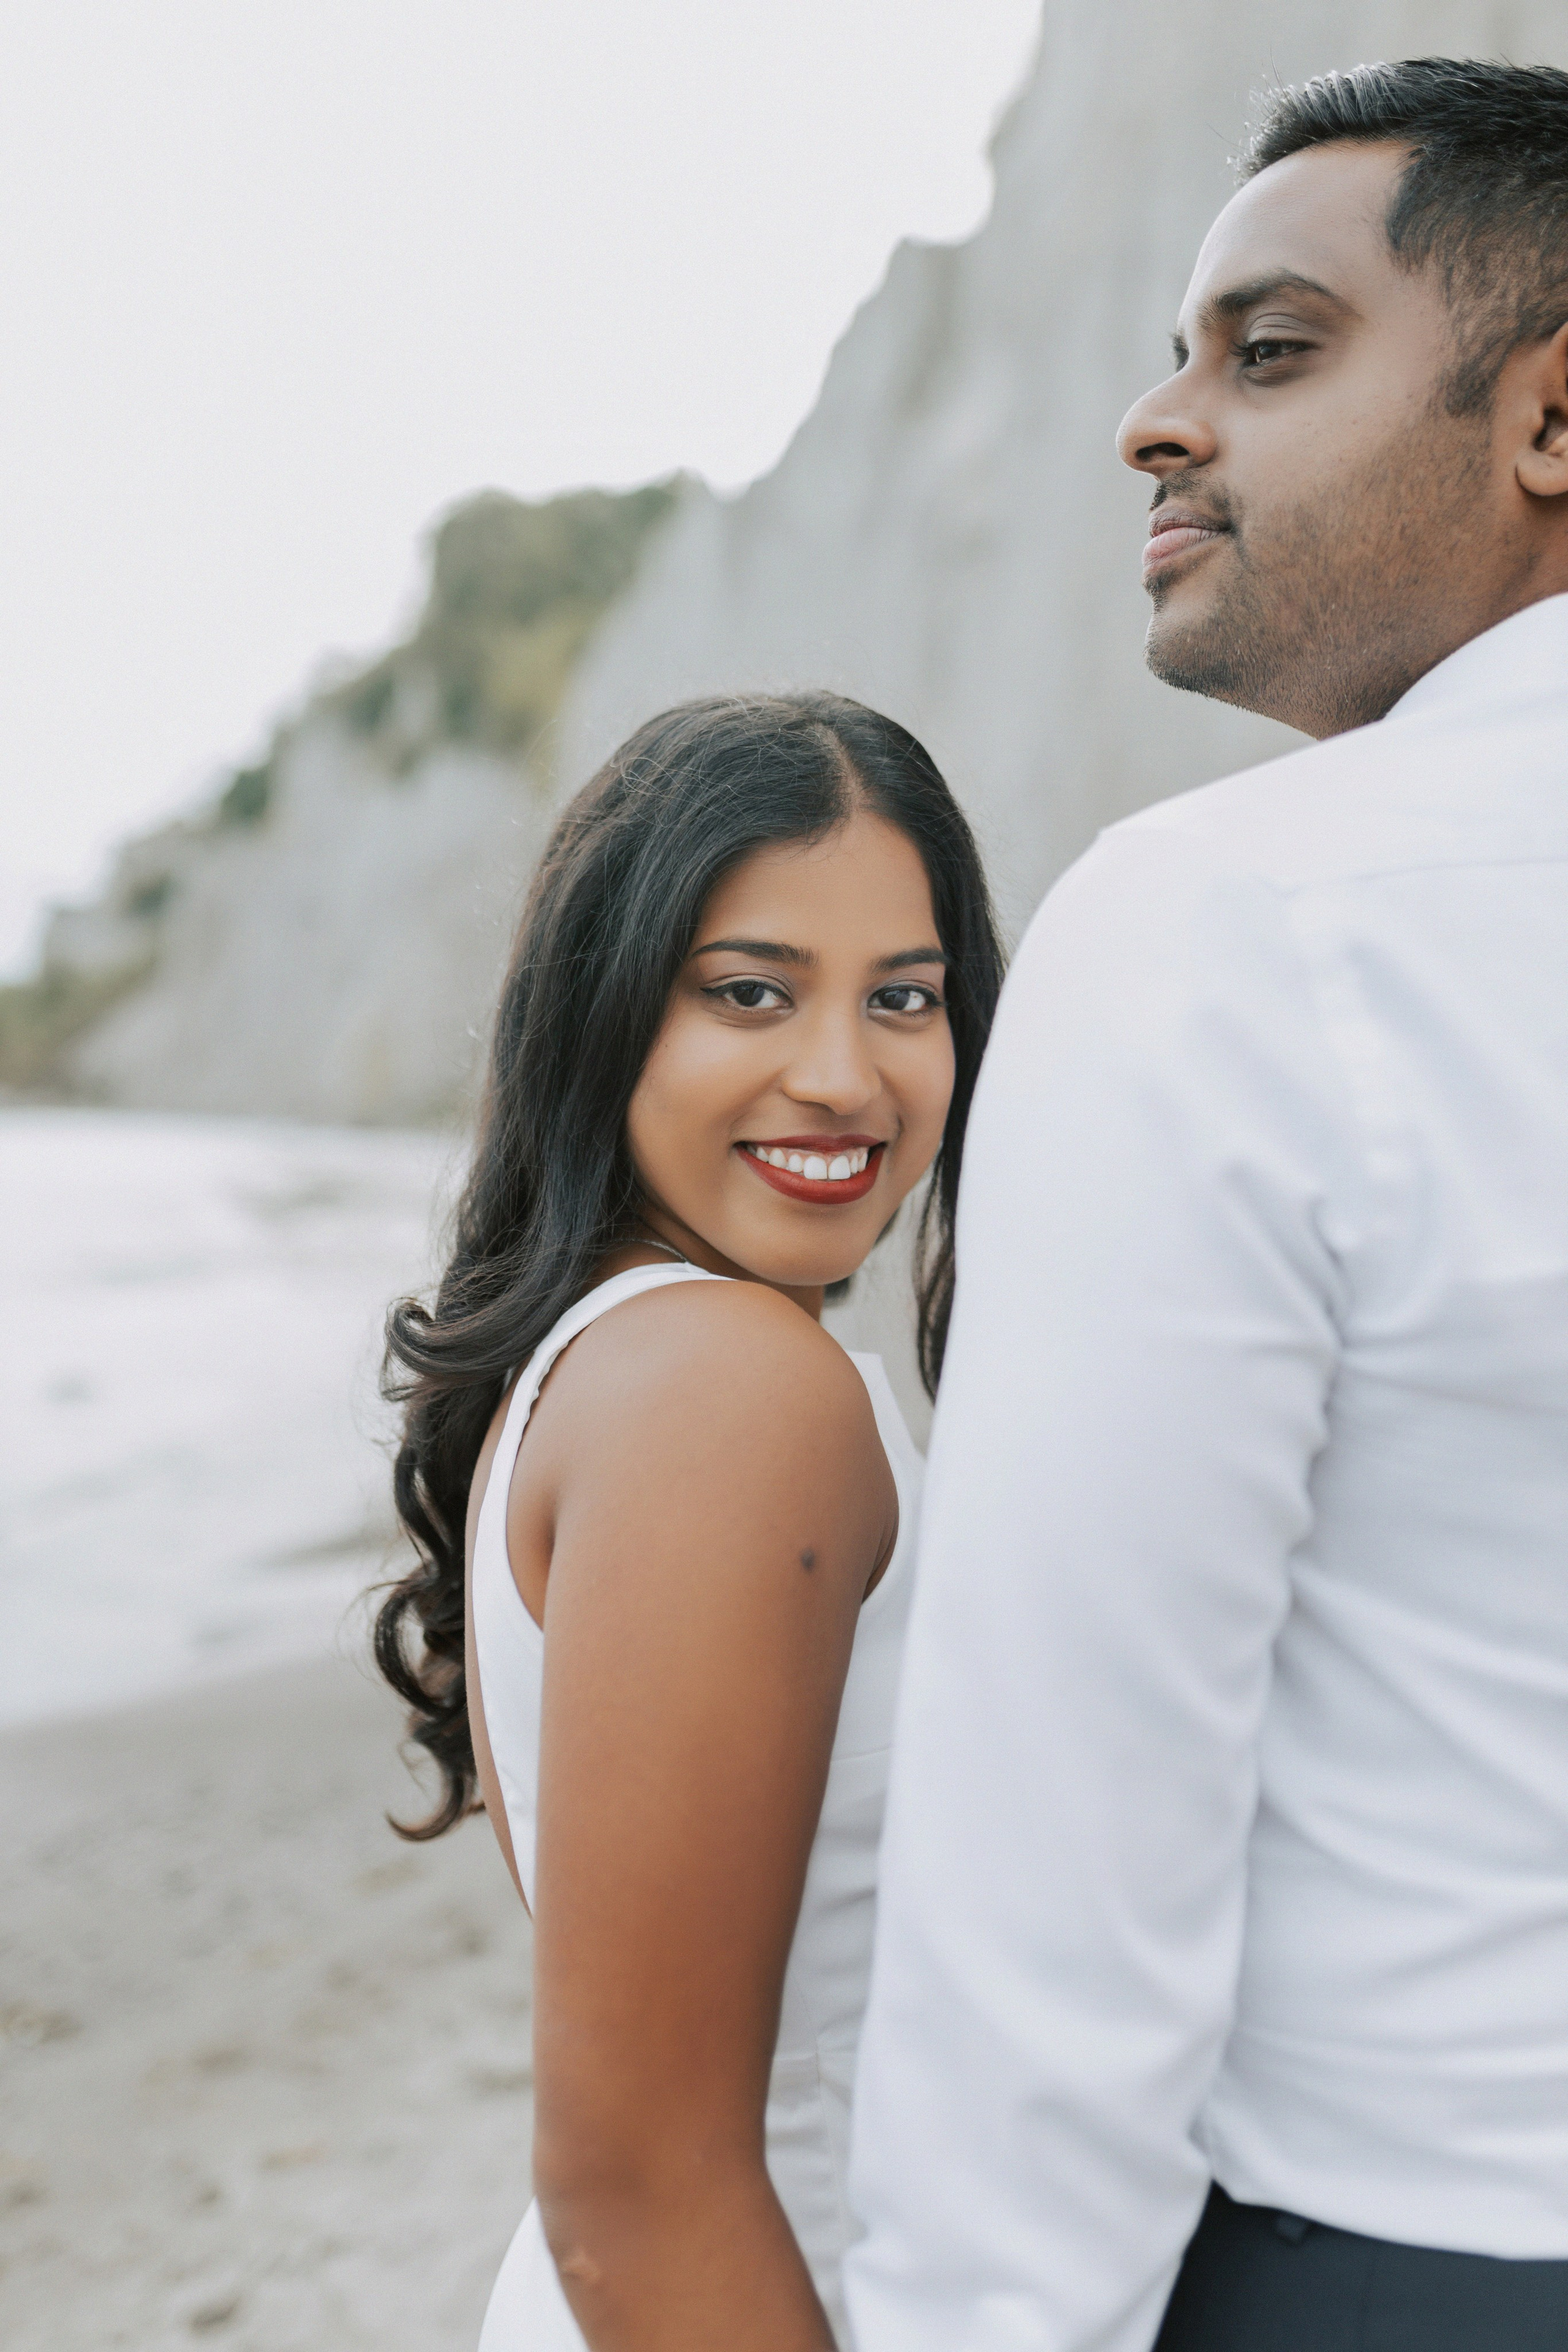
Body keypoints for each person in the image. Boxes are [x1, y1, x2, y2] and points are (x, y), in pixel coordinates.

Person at [847, 58, 1568, 2352]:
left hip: (1417, 2261)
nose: (1160, 426)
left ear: (1552, 422)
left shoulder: (1243, 925)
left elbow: (1064, 1847)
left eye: (1268, 351)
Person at [373, 691, 1003, 2350]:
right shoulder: (734, 1392)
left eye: (906, 999)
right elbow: (639, 2184)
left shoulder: (624, 1355)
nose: (842, 1076)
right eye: (749, 993)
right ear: (604, 1015)